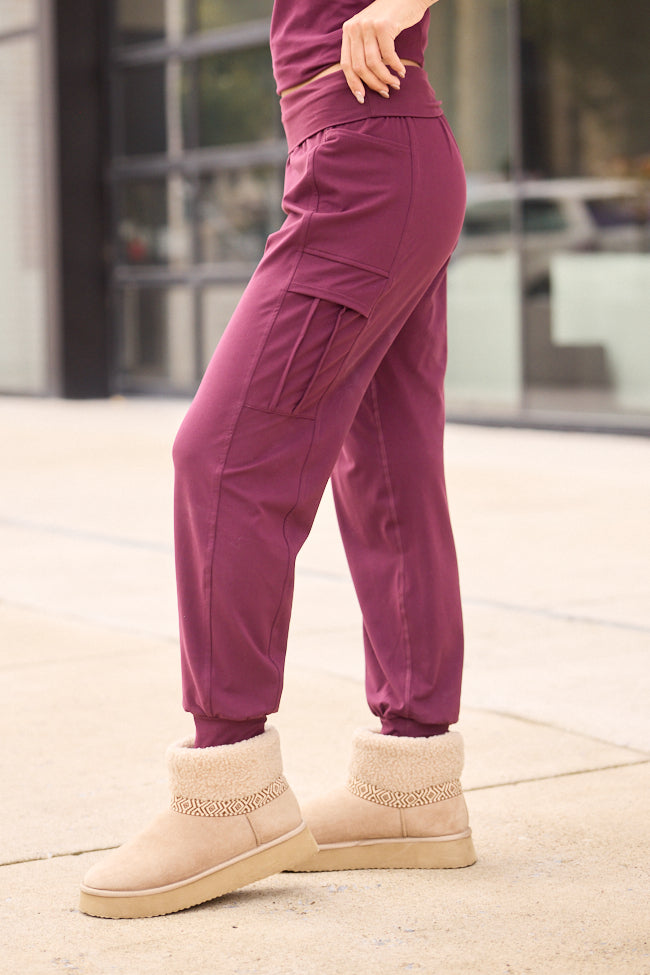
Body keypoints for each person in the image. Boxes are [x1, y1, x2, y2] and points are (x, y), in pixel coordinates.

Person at [79, 0, 476, 919]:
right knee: (386, 472)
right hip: (376, 153)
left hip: (367, 156)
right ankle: (413, 784)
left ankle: (231, 792)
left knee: (221, 458)